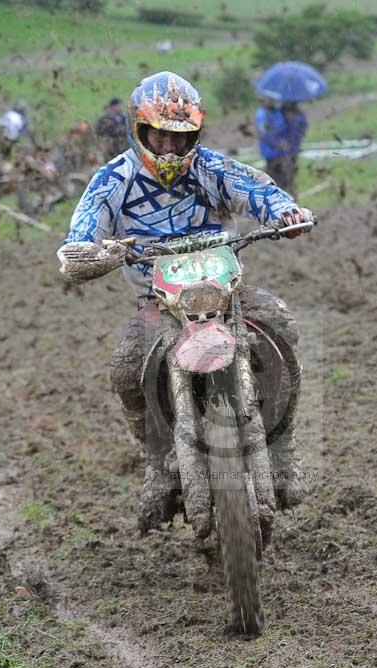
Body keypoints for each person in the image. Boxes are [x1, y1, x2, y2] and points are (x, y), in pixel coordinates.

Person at [57, 71, 313, 533]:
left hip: (224, 292)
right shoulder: (114, 179)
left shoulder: (212, 167)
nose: (172, 148)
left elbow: (258, 190)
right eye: (161, 135)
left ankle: (282, 450)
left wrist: (285, 212)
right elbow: (83, 230)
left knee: (279, 323)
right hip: (157, 300)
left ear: (195, 132)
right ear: (140, 129)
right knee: (127, 365)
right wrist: (86, 253)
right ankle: (158, 462)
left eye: (182, 136)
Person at [255, 98, 307, 196]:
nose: (272, 100)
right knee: (273, 182)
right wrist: (278, 143)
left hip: (285, 153)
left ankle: (291, 203)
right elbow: (263, 134)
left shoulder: (279, 112)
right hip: (272, 154)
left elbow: (289, 129)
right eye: (269, 98)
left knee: (288, 179)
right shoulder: (262, 114)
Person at [95, 97, 128, 161]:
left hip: (123, 147)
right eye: (119, 105)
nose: (121, 107)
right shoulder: (105, 119)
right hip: (110, 148)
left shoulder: (123, 118)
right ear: (113, 107)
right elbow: (100, 131)